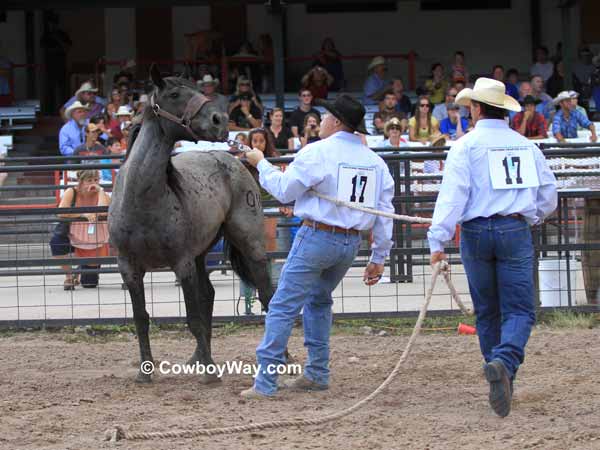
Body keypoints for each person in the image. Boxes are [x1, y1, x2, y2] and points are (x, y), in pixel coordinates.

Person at [240, 94, 394, 398]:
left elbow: (284, 191)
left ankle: (266, 381)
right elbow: (384, 214)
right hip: (350, 243)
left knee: (283, 304)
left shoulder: (318, 152)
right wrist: (379, 257)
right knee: (319, 299)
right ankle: (317, 372)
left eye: (325, 116)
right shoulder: (375, 162)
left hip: (317, 237)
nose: (321, 121)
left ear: (336, 122)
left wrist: (260, 163)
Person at [429, 77, 557, 418]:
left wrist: (437, 239)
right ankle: (504, 364)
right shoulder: (527, 146)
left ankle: (497, 367)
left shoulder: (465, 146)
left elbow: (453, 196)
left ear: (476, 108)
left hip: (474, 231)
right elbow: (548, 197)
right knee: (519, 310)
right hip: (514, 227)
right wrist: (533, 216)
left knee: (487, 311)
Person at [53, 170, 112, 290]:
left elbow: (102, 211)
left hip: (95, 237)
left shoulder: (102, 194)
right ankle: (69, 277)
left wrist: (100, 191)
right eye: (89, 180)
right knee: (56, 242)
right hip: (72, 233)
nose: (93, 183)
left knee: (89, 284)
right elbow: (61, 212)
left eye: (96, 180)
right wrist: (83, 215)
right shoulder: (72, 192)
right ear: (81, 182)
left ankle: (80, 271)